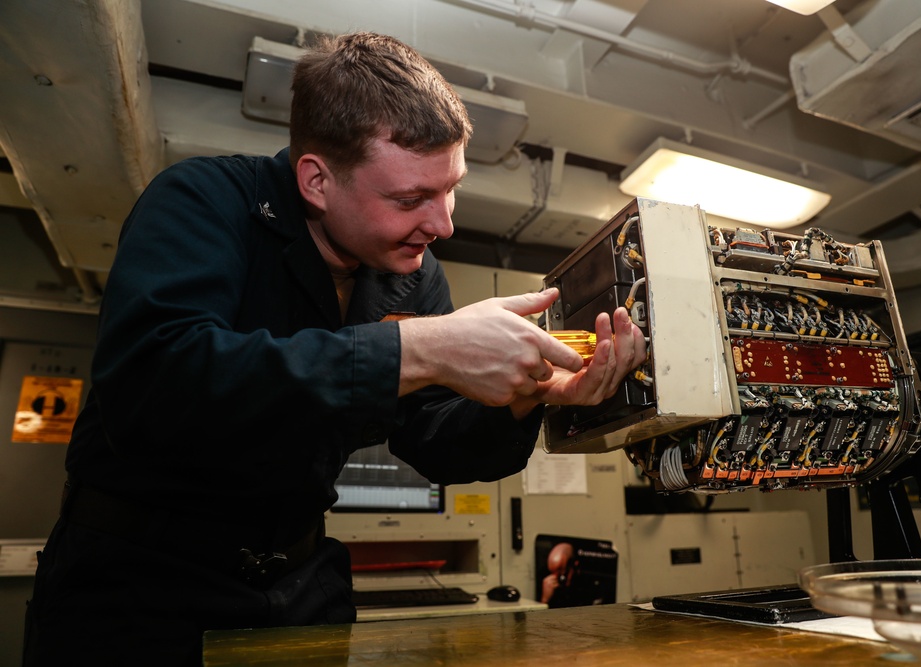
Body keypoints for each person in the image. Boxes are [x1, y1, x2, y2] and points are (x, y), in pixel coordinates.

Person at [21, 31, 645, 667]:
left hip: (299, 586)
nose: (443, 223)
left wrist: (529, 395)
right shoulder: (203, 203)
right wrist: (414, 349)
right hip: (137, 592)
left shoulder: (412, 270)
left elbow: (433, 437)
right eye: (410, 199)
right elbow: (155, 387)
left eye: (450, 187)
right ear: (316, 181)